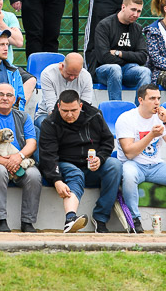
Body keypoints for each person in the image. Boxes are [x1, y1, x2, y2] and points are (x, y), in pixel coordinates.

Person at [116, 84, 166, 234]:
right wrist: (151, 136)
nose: (157, 102)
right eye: (152, 98)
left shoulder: (159, 119)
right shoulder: (126, 119)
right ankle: (134, 219)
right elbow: (129, 153)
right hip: (133, 164)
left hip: (156, 166)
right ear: (141, 100)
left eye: (158, 98)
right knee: (129, 174)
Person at [39, 89, 122, 234]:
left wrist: (100, 158)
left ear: (80, 106)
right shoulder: (49, 123)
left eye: (73, 110)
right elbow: (48, 156)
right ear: (58, 107)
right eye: (65, 111)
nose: (69, 115)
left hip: (92, 166)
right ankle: (70, 219)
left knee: (114, 165)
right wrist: (56, 179)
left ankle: (100, 219)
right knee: (76, 173)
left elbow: (108, 141)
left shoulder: (95, 115)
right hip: (65, 165)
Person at [0, 83, 41, 232]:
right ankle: (0, 221)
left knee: (34, 175)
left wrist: (19, 157)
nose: (5, 98)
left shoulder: (24, 117)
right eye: (0, 95)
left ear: (14, 99)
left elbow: (32, 143)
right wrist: (5, 162)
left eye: (9, 95)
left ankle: (27, 222)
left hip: (20, 161)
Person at [88, 0, 151, 102]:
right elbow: (104, 57)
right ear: (123, 7)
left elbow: (143, 57)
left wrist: (119, 53)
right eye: (133, 10)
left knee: (145, 72)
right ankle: (117, 107)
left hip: (127, 70)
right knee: (115, 69)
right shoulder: (104, 25)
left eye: (139, 11)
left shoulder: (137, 28)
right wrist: (131, 59)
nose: (136, 14)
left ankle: (139, 109)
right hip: (103, 71)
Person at [34, 52, 93, 131]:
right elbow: (51, 107)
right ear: (62, 66)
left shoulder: (86, 76)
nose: (72, 78)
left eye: (76, 75)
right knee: (52, 128)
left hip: (77, 116)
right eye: (69, 74)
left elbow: (86, 106)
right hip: (47, 115)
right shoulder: (48, 74)